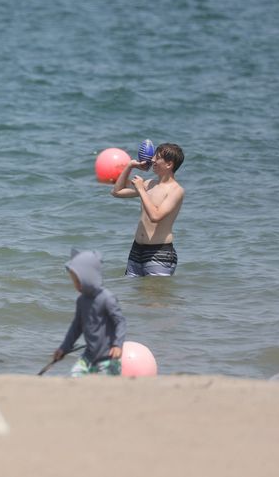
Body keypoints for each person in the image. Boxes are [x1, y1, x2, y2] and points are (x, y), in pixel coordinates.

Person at [111, 143, 185, 276]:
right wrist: (130, 166)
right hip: (136, 250)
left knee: (155, 296)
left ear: (169, 164)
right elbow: (116, 192)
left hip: (159, 253)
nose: (152, 160)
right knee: (134, 296)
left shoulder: (176, 190)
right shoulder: (148, 183)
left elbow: (155, 216)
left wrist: (140, 189)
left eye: (157, 158)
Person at [52, 249, 126, 376]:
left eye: (77, 280)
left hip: (108, 356)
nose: (75, 284)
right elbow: (76, 327)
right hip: (89, 356)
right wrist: (64, 348)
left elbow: (120, 322)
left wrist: (117, 345)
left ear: (87, 276)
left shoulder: (107, 298)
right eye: (73, 280)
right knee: (74, 376)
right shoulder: (81, 301)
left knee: (108, 386)